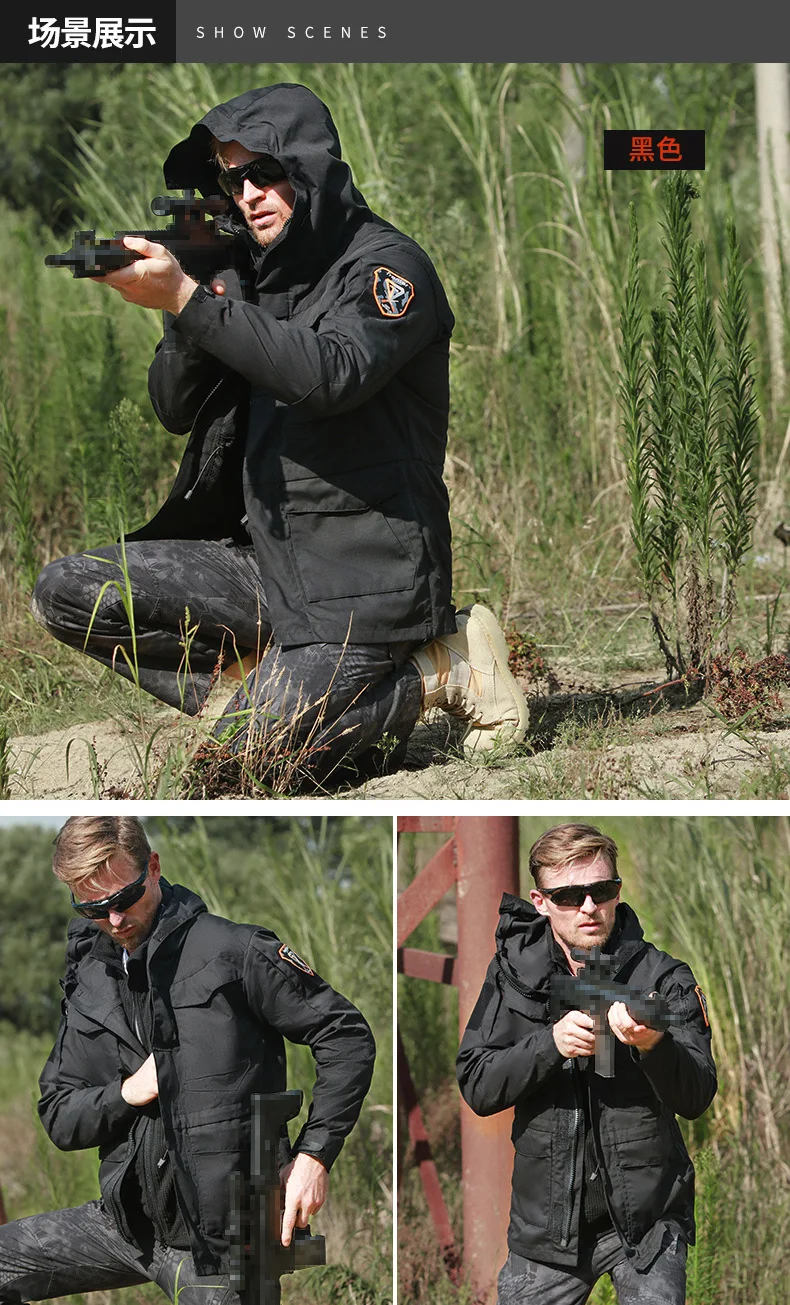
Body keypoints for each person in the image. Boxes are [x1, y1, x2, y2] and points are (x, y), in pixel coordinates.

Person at [31, 82, 528, 785]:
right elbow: (173, 408)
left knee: (237, 770)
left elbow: (328, 374)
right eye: (232, 180)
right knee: (66, 590)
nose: (248, 194)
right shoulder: (248, 275)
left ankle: (438, 671)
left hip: (362, 586)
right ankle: (265, 693)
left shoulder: (388, 269)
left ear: (309, 169)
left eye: (265, 173)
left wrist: (189, 300)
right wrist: (200, 298)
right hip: (267, 566)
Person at [0, 815, 376, 1304]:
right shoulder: (90, 977)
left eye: (123, 899)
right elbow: (59, 1116)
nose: (113, 920)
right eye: (94, 907)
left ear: (152, 867)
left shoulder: (233, 952)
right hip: (124, 1227)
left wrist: (313, 1156)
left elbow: (345, 1034)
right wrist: (127, 1093)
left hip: (223, 1248)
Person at [456, 822, 717, 1305]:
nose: (589, 908)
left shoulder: (662, 976)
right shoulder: (513, 977)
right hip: (547, 1231)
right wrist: (549, 1045)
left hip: (647, 1224)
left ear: (618, 891)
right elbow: (476, 1084)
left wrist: (654, 1045)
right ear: (540, 901)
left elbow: (698, 1095)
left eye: (602, 890)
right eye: (570, 896)